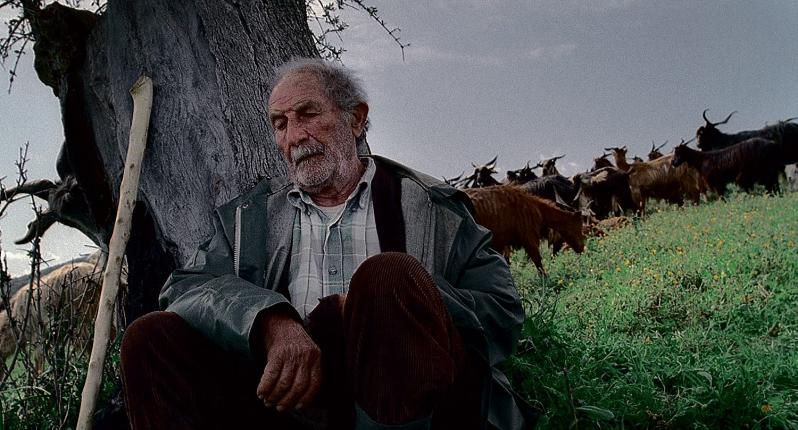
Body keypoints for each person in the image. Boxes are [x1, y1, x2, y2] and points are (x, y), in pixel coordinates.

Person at [120, 58, 536, 430]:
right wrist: (269, 321)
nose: (294, 136)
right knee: (150, 337)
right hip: (287, 399)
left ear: (355, 119)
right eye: (280, 124)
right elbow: (185, 288)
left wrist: (398, 303)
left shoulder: (433, 207)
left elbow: (501, 309)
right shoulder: (249, 217)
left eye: (307, 114)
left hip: (409, 402)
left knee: (386, 275)